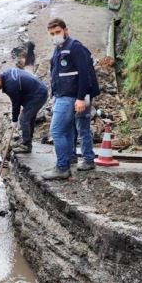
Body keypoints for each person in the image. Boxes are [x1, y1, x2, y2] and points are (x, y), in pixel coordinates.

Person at [42, 17, 99, 180]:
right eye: (52, 34)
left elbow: (85, 74)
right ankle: (73, 159)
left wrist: (81, 98)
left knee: (57, 130)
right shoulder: (59, 48)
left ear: (66, 30)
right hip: (65, 95)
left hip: (72, 96)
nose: (55, 36)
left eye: (58, 32)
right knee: (70, 129)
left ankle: (62, 167)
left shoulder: (75, 47)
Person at [0, 68, 48, 153]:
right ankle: (26, 141)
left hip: (38, 95)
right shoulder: (7, 73)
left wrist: (14, 120)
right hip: (36, 92)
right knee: (29, 118)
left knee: (24, 119)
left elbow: (16, 103)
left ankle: (26, 146)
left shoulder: (10, 85)